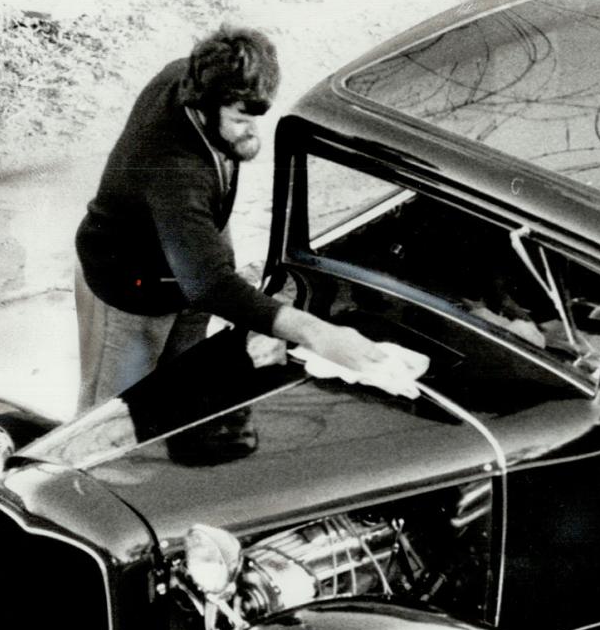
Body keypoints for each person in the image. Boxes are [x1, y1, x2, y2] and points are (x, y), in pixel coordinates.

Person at [73, 24, 389, 411]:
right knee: (115, 421)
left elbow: (207, 253)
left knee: (176, 397)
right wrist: (318, 334)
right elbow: (210, 284)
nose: (251, 131)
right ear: (203, 107)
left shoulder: (191, 77)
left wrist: (254, 310)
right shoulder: (176, 170)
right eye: (240, 119)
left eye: (257, 115)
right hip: (128, 290)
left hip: (181, 270)